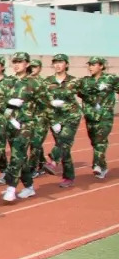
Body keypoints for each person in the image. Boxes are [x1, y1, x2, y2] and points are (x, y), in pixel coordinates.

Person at [0, 52, 47, 202]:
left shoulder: (34, 83)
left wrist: (39, 122)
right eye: (15, 62)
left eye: (20, 61)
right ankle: (29, 187)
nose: (17, 64)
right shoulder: (7, 82)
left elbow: (44, 104)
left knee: (16, 155)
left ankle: (12, 187)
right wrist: (9, 112)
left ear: (27, 64)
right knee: (21, 157)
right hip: (11, 123)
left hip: (26, 124)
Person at [41, 53, 82, 189]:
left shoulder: (74, 81)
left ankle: (53, 161)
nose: (57, 65)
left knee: (64, 139)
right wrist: (53, 120)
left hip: (71, 116)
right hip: (55, 118)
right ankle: (68, 177)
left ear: (67, 65)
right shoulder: (47, 81)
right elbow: (44, 100)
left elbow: (86, 94)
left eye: (60, 62)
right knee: (64, 146)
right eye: (55, 62)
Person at [77, 57, 118, 179]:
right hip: (90, 116)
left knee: (100, 140)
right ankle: (103, 166)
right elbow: (80, 93)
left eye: (93, 65)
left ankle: (97, 166)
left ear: (101, 66)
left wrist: (107, 88)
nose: (90, 67)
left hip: (105, 116)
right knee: (95, 142)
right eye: (89, 65)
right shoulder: (85, 81)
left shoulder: (111, 79)